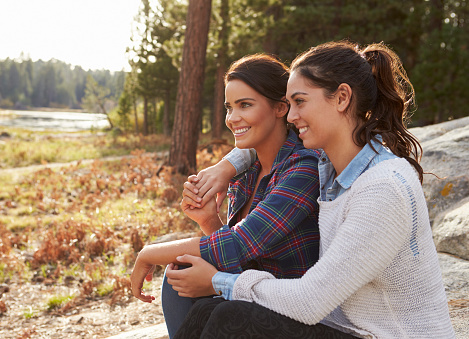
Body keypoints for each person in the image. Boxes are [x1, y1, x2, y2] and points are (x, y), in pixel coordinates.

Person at [167, 41, 455, 338]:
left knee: (233, 315)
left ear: (342, 97)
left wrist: (218, 282)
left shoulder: (382, 187)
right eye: (289, 105)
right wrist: (228, 165)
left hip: (385, 335)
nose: (291, 117)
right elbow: (268, 144)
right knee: (206, 311)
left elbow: (309, 301)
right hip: (345, 329)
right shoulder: (332, 168)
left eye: (300, 102)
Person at [130, 54, 321, 338]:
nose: (232, 119)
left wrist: (150, 253)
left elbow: (242, 243)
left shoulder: (304, 167)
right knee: (179, 273)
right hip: (252, 300)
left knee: (214, 305)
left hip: (294, 312)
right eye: (229, 107)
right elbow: (244, 262)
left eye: (245, 105)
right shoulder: (246, 172)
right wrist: (209, 219)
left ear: (281, 108)